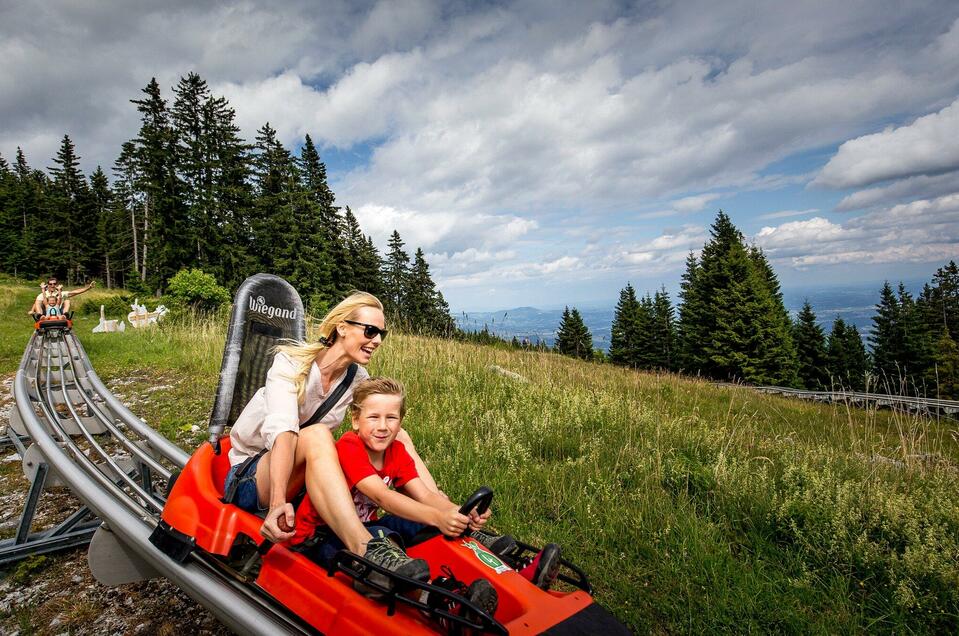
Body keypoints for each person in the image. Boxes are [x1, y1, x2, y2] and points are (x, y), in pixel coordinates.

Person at [290, 377, 561, 614]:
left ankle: (511, 570)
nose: (383, 426)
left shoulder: (395, 451)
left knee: (418, 524)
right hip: (320, 537)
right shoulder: (350, 445)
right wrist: (438, 516)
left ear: (401, 421)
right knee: (387, 536)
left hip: (365, 527)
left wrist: (455, 512)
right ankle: (441, 601)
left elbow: (425, 496)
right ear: (355, 420)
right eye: (374, 417)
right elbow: (382, 496)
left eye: (391, 418)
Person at [224, 291, 441, 578]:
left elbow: (374, 421)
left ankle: (445, 509)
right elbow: (284, 433)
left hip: (303, 478)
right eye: (370, 330)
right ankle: (363, 547)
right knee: (316, 435)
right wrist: (277, 502)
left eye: (381, 334)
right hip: (254, 475)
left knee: (396, 433)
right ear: (342, 327)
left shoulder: (358, 378)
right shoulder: (290, 363)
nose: (376, 340)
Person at [29, 277, 95, 316]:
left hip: (58, 312)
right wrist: (32, 310)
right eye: (50, 284)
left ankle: (65, 314)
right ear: (47, 285)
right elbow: (36, 303)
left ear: (56, 285)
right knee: (38, 301)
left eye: (54, 284)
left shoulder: (61, 293)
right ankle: (40, 316)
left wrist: (88, 288)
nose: (52, 285)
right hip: (46, 312)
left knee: (67, 301)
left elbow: (75, 292)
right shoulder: (43, 294)